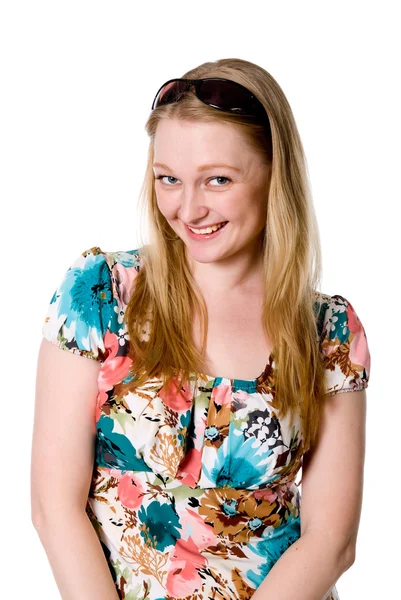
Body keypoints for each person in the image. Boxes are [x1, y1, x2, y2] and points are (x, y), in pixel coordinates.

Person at [32, 58, 371, 600]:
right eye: (169, 179)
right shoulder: (99, 292)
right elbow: (55, 507)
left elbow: (332, 542)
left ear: (274, 174)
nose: (189, 208)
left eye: (218, 179)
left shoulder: (327, 331)